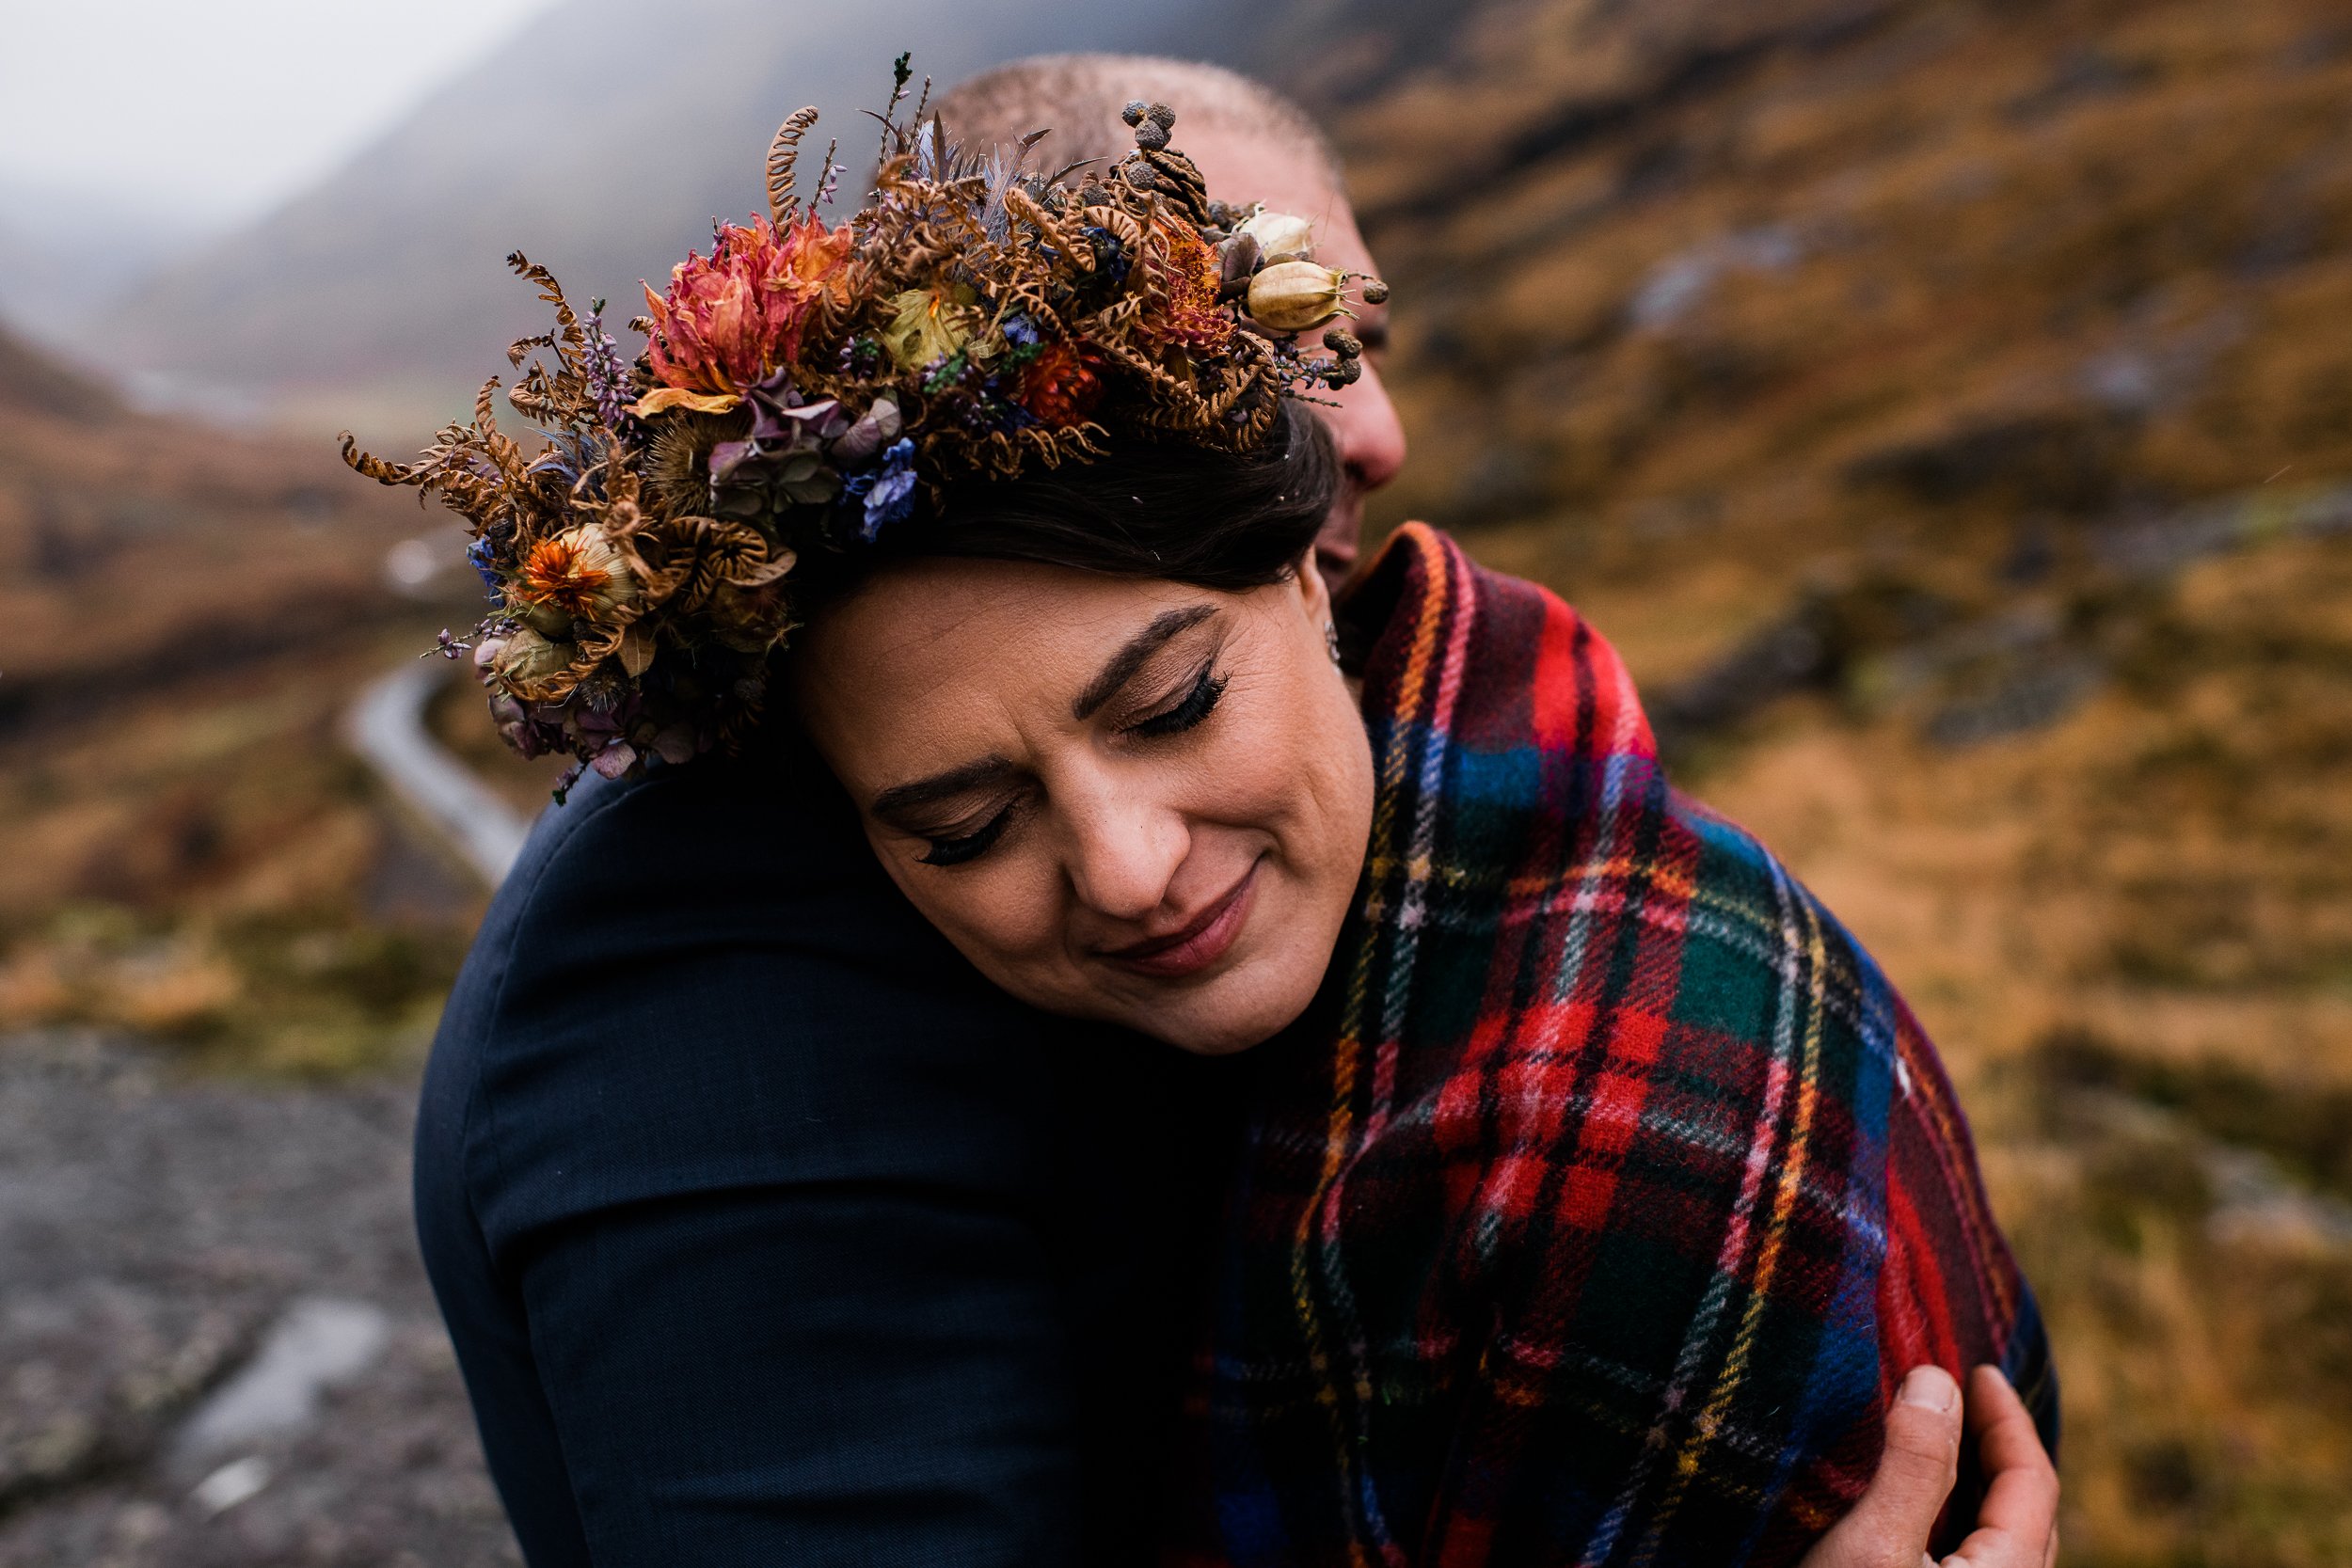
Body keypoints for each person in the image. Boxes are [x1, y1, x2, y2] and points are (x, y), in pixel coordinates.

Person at [389, 52, 2057, 1568]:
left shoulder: (1519, 867)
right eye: (1278, 345)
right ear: (1031, 386)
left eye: (1364, 339)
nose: (1376, 436)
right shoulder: (705, 993)